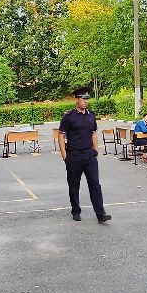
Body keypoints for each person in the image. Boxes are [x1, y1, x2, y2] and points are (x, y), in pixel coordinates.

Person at [58, 86, 111, 223]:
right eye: (83, 98)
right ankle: (76, 210)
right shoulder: (68, 117)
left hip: (89, 155)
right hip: (74, 156)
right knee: (74, 185)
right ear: (76, 99)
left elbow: (93, 133)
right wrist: (64, 155)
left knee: (95, 184)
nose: (86, 101)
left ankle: (100, 213)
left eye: (87, 99)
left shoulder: (91, 115)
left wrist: (96, 151)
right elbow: (61, 136)